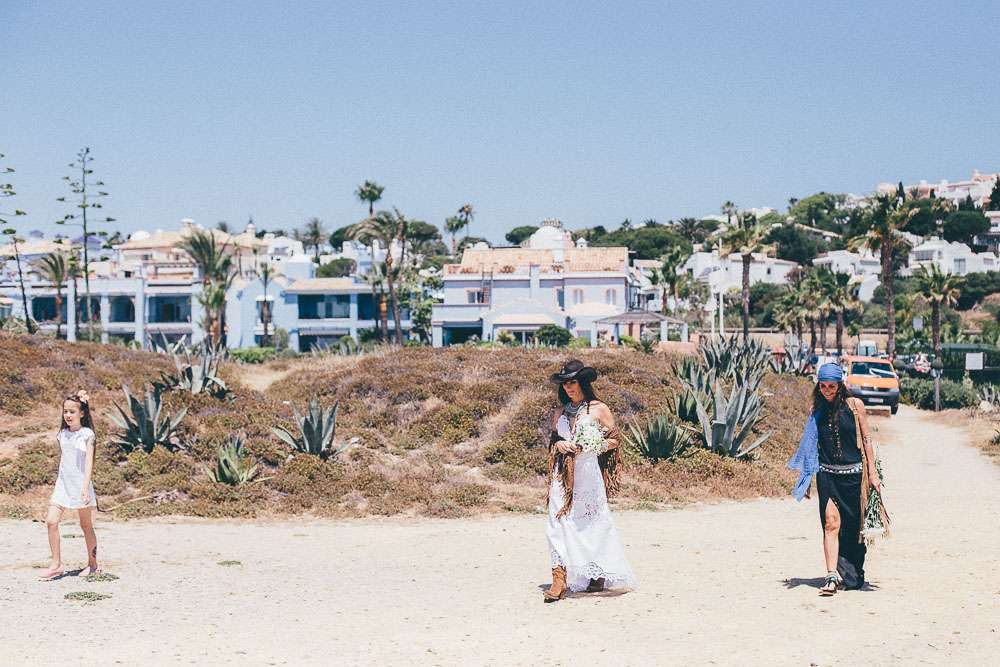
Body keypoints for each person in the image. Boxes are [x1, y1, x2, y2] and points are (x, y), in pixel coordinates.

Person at [788, 363, 889, 596]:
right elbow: (811, 445)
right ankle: (831, 576)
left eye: (831, 386)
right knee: (831, 523)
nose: (826, 391)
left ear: (840, 385)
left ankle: (852, 572)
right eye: (822, 386)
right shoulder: (816, 410)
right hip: (827, 476)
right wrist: (806, 478)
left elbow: (866, 440)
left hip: (854, 478)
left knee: (853, 531)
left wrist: (873, 473)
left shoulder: (855, 406)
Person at [543, 359, 637, 602]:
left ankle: (598, 571)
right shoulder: (559, 412)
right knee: (557, 521)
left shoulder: (598, 409)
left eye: (572, 382)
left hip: (587, 474)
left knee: (591, 522)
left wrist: (594, 445)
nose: (568, 387)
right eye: (564, 383)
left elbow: (615, 440)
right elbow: (553, 441)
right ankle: (559, 578)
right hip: (562, 475)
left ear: (583, 382)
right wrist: (559, 444)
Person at [40, 390, 100, 580]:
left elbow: (89, 463)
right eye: (65, 411)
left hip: (81, 486)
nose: (67, 415)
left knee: (86, 525)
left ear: (82, 413)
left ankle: (93, 565)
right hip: (63, 485)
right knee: (51, 521)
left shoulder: (87, 435)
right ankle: (56, 564)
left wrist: (85, 488)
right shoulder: (62, 434)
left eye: (72, 411)